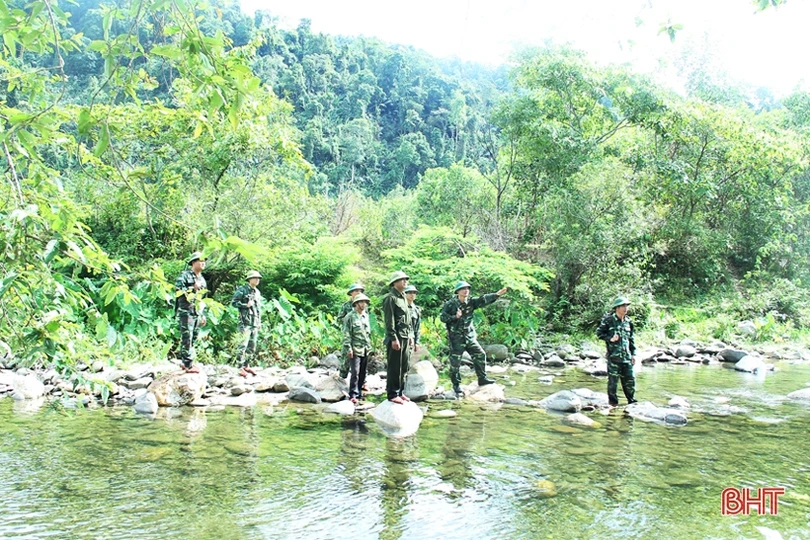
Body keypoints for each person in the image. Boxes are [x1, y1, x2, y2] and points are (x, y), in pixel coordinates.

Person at [440, 281, 507, 397]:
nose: (466, 291)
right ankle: (456, 386)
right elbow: (442, 317)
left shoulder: (471, 302)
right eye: (463, 289)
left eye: (467, 288)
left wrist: (497, 295)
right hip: (456, 339)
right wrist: (454, 317)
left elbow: (483, 299)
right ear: (458, 291)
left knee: (480, 354)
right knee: (455, 363)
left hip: (469, 337)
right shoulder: (451, 304)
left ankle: (482, 378)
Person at [596, 296, 638, 406]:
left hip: (627, 358)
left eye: (626, 306)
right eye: (623, 306)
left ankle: (631, 402)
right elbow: (599, 333)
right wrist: (610, 338)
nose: (625, 308)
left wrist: (633, 354)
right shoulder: (609, 321)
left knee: (630, 381)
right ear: (617, 308)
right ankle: (613, 405)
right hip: (614, 358)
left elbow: (631, 339)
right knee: (613, 384)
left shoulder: (628, 322)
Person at [382, 271, 412, 404]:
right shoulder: (390, 298)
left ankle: (400, 391)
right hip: (397, 337)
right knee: (394, 366)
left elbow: (407, 318)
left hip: (405, 336)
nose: (405, 282)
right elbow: (389, 320)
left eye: (406, 279)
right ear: (394, 282)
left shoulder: (404, 297)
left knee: (404, 365)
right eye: (402, 280)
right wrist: (393, 338)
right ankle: (392, 393)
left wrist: (410, 334)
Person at [175, 251, 207, 373]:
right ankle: (188, 364)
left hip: (197, 312)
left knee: (193, 337)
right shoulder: (185, 275)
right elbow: (178, 290)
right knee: (187, 337)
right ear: (193, 262)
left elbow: (203, 298)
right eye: (200, 260)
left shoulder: (202, 280)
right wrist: (191, 288)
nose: (203, 263)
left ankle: (186, 361)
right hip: (186, 311)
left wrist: (203, 314)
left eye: (204, 261)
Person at [231, 270, 263, 377]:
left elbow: (258, 308)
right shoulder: (242, 290)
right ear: (249, 279)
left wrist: (259, 321)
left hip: (254, 322)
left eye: (258, 278)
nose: (257, 280)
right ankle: (239, 367)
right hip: (245, 322)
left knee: (252, 346)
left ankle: (246, 365)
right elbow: (234, 303)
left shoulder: (257, 292)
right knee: (242, 345)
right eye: (255, 278)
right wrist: (245, 305)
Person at [343, 293, 372, 403]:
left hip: (365, 349)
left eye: (365, 302)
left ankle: (359, 391)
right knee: (355, 372)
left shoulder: (366, 316)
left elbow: (368, 333)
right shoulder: (350, 317)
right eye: (361, 302)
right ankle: (353, 394)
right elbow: (346, 334)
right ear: (356, 303)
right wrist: (348, 348)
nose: (364, 304)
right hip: (355, 348)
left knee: (363, 372)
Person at [338, 283, 365, 378]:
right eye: (356, 291)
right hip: (349, 334)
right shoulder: (346, 306)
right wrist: (349, 321)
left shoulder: (363, 304)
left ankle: (362, 382)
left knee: (362, 359)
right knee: (346, 356)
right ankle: (342, 376)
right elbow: (339, 319)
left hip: (360, 336)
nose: (358, 292)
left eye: (360, 291)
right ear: (351, 293)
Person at [404, 284, 421, 351]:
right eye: (410, 293)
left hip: (411, 340)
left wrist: (417, 342)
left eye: (414, 293)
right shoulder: (400, 308)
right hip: (401, 339)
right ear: (405, 294)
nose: (412, 295)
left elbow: (417, 328)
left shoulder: (416, 310)